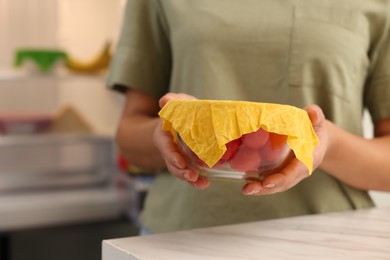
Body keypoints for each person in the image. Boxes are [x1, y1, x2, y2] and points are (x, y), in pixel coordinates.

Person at [107, 0, 390, 234]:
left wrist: (325, 144)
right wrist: (170, 132)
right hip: (180, 237)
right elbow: (129, 135)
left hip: (327, 239)